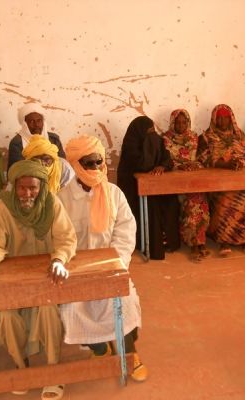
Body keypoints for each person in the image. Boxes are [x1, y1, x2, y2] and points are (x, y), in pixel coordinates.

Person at [0, 160, 77, 400]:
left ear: (41, 186)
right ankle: (22, 368)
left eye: (33, 188)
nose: (27, 193)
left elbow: (66, 239)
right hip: (14, 281)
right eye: (22, 188)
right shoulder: (2, 207)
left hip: (46, 278)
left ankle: (54, 371)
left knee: (48, 309)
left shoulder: (52, 205)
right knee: (8, 316)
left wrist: (59, 260)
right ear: (14, 186)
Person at [59, 135, 148, 381]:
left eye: (99, 162)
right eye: (89, 163)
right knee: (72, 307)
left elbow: (126, 232)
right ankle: (99, 348)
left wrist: (115, 264)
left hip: (110, 266)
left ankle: (130, 353)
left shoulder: (114, 194)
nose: (97, 168)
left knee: (124, 301)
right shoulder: (62, 199)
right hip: (77, 270)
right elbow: (60, 239)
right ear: (77, 165)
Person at [197, 104, 245, 256]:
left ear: (230, 119)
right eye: (219, 118)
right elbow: (203, 159)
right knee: (225, 199)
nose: (222, 121)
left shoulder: (239, 135)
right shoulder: (207, 137)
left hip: (239, 178)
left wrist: (240, 163)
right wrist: (224, 164)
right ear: (214, 119)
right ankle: (224, 242)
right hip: (218, 181)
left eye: (225, 118)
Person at [117, 116, 180, 260]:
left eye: (153, 130)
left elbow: (167, 159)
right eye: (149, 131)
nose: (152, 134)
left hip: (154, 186)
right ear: (140, 132)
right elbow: (143, 165)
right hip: (134, 191)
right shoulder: (130, 146)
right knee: (151, 204)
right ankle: (150, 245)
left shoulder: (155, 140)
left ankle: (168, 242)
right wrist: (152, 160)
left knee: (171, 200)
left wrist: (161, 166)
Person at [163, 109, 210, 262]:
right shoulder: (166, 139)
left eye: (184, 122)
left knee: (200, 199)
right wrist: (178, 166)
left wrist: (195, 165)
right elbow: (165, 161)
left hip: (194, 180)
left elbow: (203, 159)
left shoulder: (194, 137)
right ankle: (194, 244)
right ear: (173, 123)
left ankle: (200, 241)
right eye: (178, 122)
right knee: (192, 202)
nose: (181, 125)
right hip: (174, 182)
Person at [8, 103, 65, 171]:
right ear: (24, 124)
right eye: (32, 121)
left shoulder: (54, 139)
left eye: (39, 120)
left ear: (43, 121)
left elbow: (62, 164)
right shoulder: (17, 143)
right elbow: (17, 170)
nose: (36, 125)